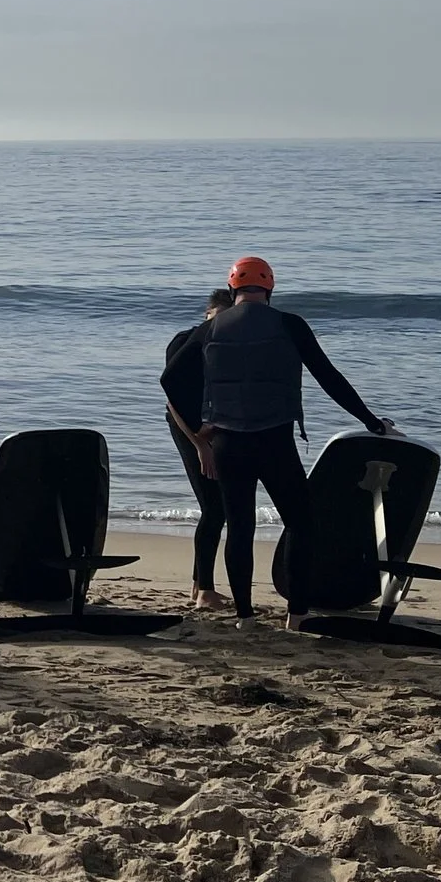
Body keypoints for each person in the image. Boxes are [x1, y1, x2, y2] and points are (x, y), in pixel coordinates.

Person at [160, 257, 396, 626]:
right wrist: (371, 422)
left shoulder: (210, 328)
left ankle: (245, 616)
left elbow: (170, 379)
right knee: (300, 524)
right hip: (275, 443)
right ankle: (297, 614)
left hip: (228, 444)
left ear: (233, 289)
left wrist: (199, 427)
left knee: (240, 528)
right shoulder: (289, 324)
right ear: (270, 288)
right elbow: (328, 377)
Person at [164, 287, 236, 613]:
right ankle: (204, 591)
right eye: (215, 318)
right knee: (214, 508)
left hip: (216, 427)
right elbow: (173, 401)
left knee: (220, 507)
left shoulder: (231, 347)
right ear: (206, 315)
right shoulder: (185, 342)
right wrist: (200, 445)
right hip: (186, 426)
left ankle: (199, 586)